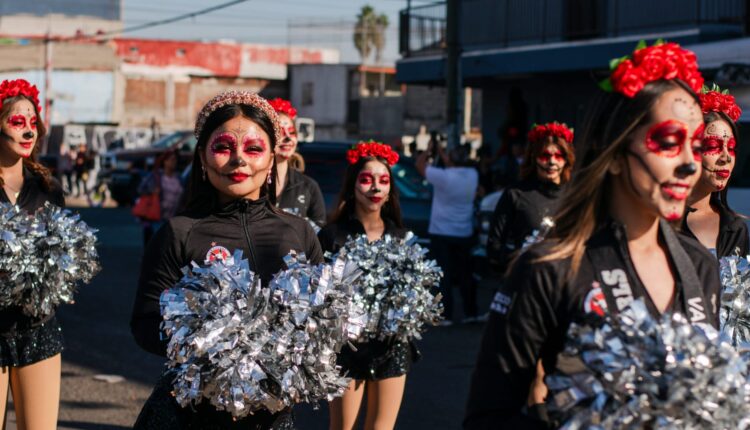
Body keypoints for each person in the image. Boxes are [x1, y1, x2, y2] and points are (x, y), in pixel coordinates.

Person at [464, 42, 720, 429]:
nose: (689, 164)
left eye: (696, 145)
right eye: (668, 142)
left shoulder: (700, 266)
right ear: (614, 154)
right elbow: (489, 417)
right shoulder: (547, 269)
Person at [130, 90, 323, 429]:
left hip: (272, 416)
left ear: (270, 158)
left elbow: (322, 320)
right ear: (202, 159)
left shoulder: (300, 232)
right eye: (222, 148)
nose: (239, 160)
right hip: (189, 416)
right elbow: (145, 322)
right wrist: (215, 345)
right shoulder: (179, 232)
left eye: (253, 148)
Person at [319, 140, 413, 430]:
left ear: (390, 191)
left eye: (383, 181)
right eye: (366, 179)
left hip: (391, 346)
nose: (375, 187)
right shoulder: (332, 235)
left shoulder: (401, 236)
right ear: (352, 186)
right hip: (346, 348)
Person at [0, 79, 65, 430]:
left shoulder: (47, 187)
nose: (28, 131)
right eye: (16, 122)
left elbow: (64, 250)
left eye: (32, 124)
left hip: (38, 328)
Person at [487, 122, 575, 275]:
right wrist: (520, 262)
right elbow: (494, 246)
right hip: (525, 284)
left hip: (565, 285)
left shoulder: (576, 195)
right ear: (534, 158)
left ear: (567, 159)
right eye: (545, 155)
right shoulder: (515, 194)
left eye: (559, 156)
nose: (552, 162)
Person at [416, 141, 479, 325]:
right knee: (466, 275)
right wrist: (443, 153)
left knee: (444, 276)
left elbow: (419, 165)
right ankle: (471, 312)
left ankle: (446, 314)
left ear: (450, 159)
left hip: (441, 232)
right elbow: (453, 163)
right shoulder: (472, 175)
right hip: (464, 232)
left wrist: (428, 150)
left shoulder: (443, 176)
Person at [681, 86, 748, 258]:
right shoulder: (659, 221)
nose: (726, 157)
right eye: (712, 147)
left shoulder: (735, 227)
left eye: (731, 148)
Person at [267, 98, 326, 227]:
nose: (288, 138)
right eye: (280, 132)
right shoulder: (251, 183)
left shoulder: (308, 187)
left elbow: (320, 235)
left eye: (292, 132)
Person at [136, 148, 184, 245]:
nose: (174, 162)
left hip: (173, 218)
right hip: (157, 217)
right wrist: (152, 191)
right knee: (156, 245)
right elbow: (140, 189)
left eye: (175, 160)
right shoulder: (156, 176)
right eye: (171, 160)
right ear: (165, 162)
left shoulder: (179, 178)